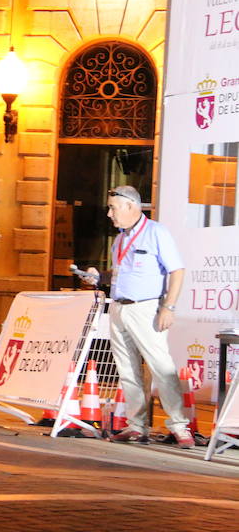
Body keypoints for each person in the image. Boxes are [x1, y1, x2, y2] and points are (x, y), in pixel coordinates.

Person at [79, 186, 192, 448]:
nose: (109, 214)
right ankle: (136, 425)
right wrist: (99, 276)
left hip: (146, 309)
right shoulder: (119, 239)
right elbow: (119, 274)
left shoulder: (156, 232)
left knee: (161, 367)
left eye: (113, 208)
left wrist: (169, 307)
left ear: (130, 206)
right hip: (118, 308)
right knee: (126, 369)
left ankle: (179, 426)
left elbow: (177, 271)